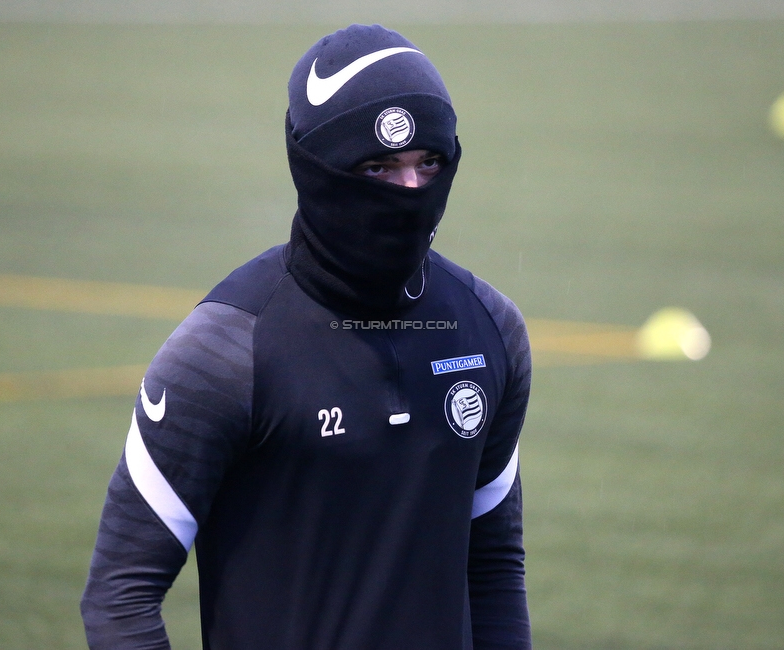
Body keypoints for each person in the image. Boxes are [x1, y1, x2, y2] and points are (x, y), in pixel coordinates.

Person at [80, 23, 532, 650]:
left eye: (428, 162)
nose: (410, 192)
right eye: (378, 167)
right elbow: (119, 597)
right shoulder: (223, 355)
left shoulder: (491, 332)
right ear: (318, 172)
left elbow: (493, 566)